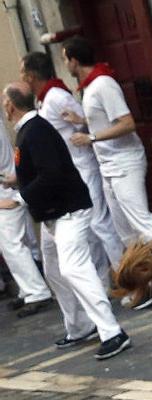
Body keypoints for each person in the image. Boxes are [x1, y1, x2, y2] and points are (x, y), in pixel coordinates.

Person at [60, 36, 152, 314]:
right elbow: (105, 118)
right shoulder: (90, 88)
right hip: (109, 165)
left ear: (74, 60)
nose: (65, 63)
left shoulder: (103, 85)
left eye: (64, 58)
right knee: (126, 231)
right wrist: (82, 121)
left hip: (125, 163)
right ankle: (149, 281)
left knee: (144, 224)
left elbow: (127, 123)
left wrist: (91, 136)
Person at [1, 82, 130, 359]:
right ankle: (80, 325)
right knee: (54, 270)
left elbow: (52, 174)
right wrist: (17, 180)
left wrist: (20, 198)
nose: (2, 104)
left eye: (3, 99)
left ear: (10, 105)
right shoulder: (30, 129)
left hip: (68, 211)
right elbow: (42, 169)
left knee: (73, 268)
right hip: (54, 214)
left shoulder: (35, 130)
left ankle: (112, 332)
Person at [20, 51, 125, 282]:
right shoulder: (45, 99)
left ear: (30, 76)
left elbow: (88, 120)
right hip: (71, 171)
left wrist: (83, 133)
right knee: (88, 231)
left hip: (83, 166)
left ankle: (126, 278)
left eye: (22, 72)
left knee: (100, 223)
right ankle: (104, 280)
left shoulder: (57, 96)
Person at [0, 124, 52, 318]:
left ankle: (36, 292)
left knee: (12, 245)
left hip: (6, 193)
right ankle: (27, 289)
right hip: (7, 189)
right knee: (14, 245)